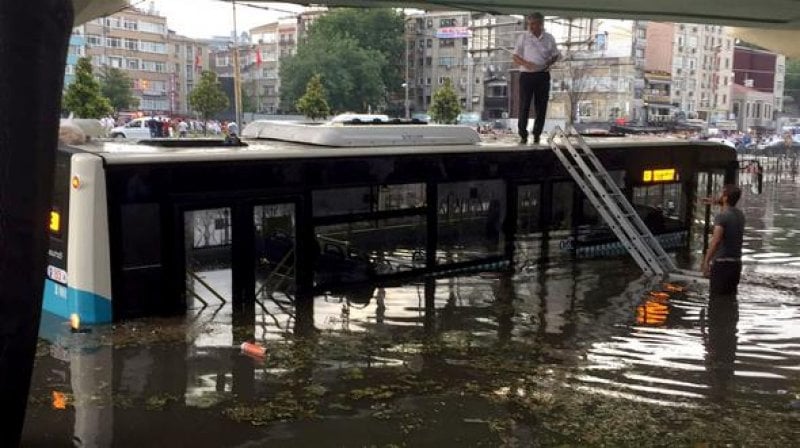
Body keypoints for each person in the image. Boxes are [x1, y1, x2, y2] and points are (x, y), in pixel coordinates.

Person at [513, 12, 561, 145]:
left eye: (534, 24)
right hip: (526, 75)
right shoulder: (523, 37)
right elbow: (515, 56)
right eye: (530, 24)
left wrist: (549, 62)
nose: (531, 27)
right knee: (524, 105)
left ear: (541, 24)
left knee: (541, 106)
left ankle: (537, 134)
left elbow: (556, 55)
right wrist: (526, 63)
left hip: (543, 74)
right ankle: (523, 134)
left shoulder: (549, 38)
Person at [701, 184, 745, 295]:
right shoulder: (740, 215)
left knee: (716, 299)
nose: (719, 196)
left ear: (725, 198)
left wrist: (706, 261)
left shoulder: (721, 217)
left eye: (722, 195)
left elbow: (716, 241)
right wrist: (715, 201)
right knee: (730, 297)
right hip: (736, 265)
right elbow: (728, 205)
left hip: (721, 265)